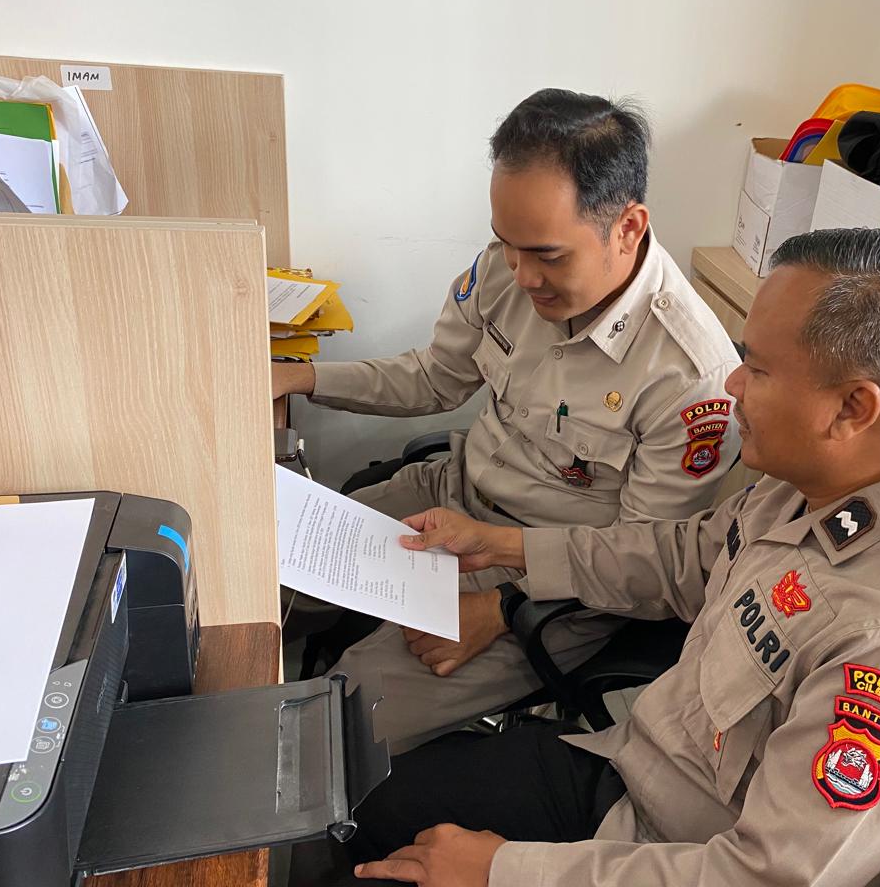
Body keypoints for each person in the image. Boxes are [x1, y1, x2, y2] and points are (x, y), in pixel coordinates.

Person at [346, 227, 880, 887]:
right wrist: (507, 547)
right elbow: (683, 556)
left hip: (666, 850)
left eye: (759, 369)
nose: (733, 382)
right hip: (631, 767)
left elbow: (761, 878)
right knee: (377, 803)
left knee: (380, 846)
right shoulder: (810, 486)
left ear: (852, 408)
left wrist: (504, 872)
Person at [272, 89, 741, 753]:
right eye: (507, 246)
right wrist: (302, 377)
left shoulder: (690, 377)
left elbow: (642, 560)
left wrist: (500, 610)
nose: (522, 276)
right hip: (453, 498)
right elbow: (435, 376)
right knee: (263, 576)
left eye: (548, 255)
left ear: (628, 228)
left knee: (337, 725)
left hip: (552, 585)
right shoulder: (507, 268)